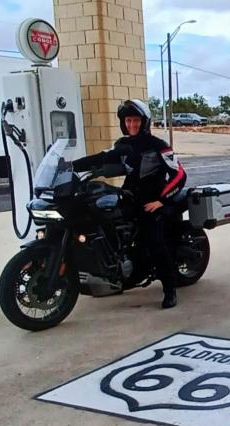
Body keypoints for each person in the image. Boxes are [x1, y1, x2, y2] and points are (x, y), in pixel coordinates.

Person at [73, 99, 186, 309]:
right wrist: (71, 166)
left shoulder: (158, 146)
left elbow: (179, 174)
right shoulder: (122, 145)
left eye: (135, 120)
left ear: (144, 122)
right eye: (128, 120)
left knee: (154, 241)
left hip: (150, 204)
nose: (131, 125)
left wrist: (160, 201)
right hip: (129, 199)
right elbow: (102, 157)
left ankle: (170, 288)